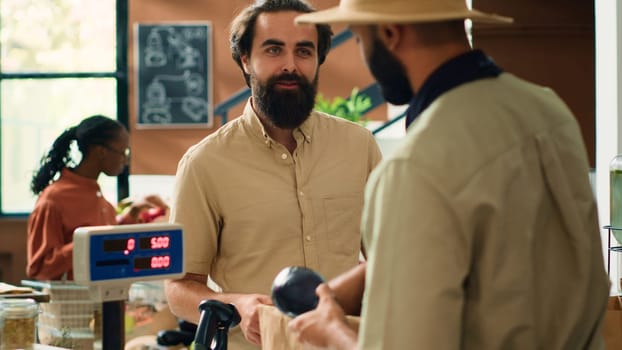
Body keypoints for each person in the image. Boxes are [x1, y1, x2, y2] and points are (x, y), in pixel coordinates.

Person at [289, 0, 611, 349]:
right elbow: (507, 251)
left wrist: (332, 331)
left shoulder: (414, 166)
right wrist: (378, 272)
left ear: (390, 34)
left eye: (359, 39)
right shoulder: (550, 111)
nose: (363, 55)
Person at [164, 0, 382, 348]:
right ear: (246, 60)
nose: (290, 65)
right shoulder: (204, 163)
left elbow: (384, 261)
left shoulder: (359, 146)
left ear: (318, 60)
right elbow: (178, 288)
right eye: (274, 50)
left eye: (304, 51)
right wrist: (237, 305)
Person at [27, 115, 168, 281]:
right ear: (101, 152)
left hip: (108, 298)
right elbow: (40, 269)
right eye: (123, 152)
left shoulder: (97, 196)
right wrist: (91, 243)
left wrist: (132, 214)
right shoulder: (54, 200)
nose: (125, 161)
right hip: (75, 303)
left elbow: (107, 241)